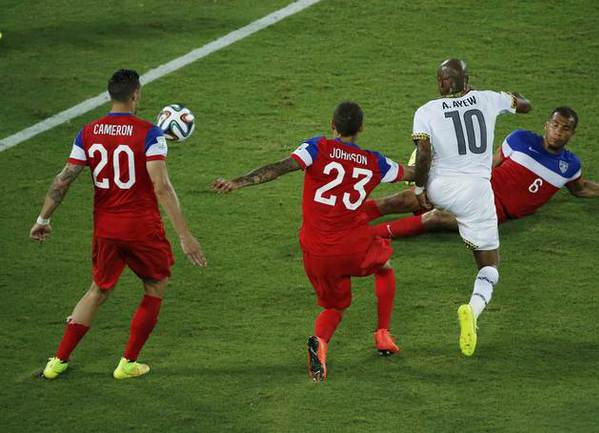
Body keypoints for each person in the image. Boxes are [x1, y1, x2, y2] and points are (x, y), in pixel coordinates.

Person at [212, 101, 414, 382]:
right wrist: (427, 153)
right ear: (361, 128)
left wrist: (239, 182)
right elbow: (411, 173)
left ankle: (320, 342)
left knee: (336, 306)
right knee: (384, 267)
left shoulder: (318, 148)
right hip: (354, 246)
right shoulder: (375, 161)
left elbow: (279, 168)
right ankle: (383, 334)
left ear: (332, 125)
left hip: (316, 251)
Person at [30, 69, 207, 380]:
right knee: (155, 285)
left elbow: (63, 180)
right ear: (135, 94)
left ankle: (57, 361)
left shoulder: (88, 132)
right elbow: (162, 188)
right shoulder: (150, 134)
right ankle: (127, 363)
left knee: (97, 289)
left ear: (109, 94)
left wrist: (43, 218)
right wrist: (185, 235)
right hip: (141, 229)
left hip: (106, 228)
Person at [366, 106, 599, 236]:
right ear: (546, 125)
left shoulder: (570, 166)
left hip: (494, 211)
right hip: (476, 187)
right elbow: (491, 162)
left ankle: (370, 235)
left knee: (436, 217)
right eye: (555, 125)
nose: (558, 131)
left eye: (565, 128)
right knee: (406, 198)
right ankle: (351, 216)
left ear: (572, 134)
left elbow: (582, 188)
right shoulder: (519, 139)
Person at [408, 58, 531, 357]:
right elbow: (525, 106)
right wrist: (511, 98)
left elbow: (423, 153)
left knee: (422, 158)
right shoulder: (489, 99)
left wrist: (420, 189)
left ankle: (380, 209)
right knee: (489, 267)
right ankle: (472, 311)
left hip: (440, 187)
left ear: (441, 84)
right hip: (477, 193)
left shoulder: (426, 110)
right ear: (466, 79)